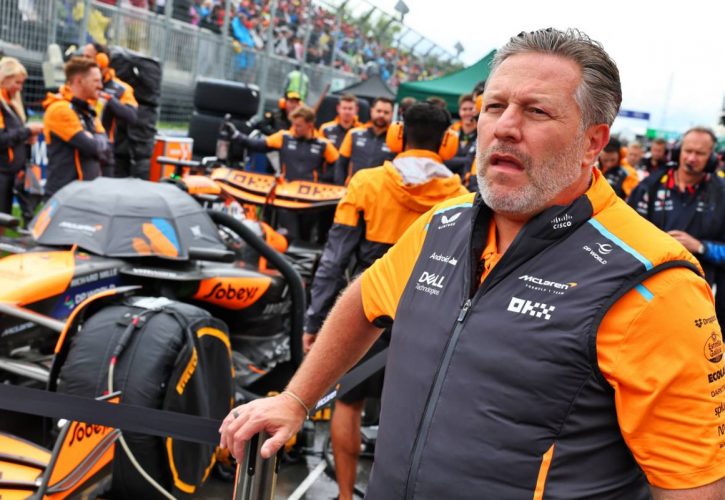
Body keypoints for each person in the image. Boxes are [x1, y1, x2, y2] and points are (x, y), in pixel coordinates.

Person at [220, 28, 725, 499]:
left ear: (593, 141)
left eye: (536, 112)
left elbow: (692, 484)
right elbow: (364, 300)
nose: (504, 128)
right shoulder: (444, 224)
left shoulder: (655, 284)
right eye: (495, 106)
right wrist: (296, 398)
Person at [303, 103, 468, 500]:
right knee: (415, 413)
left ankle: (345, 495)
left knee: (348, 403)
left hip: (368, 308)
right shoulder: (462, 197)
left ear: (398, 135)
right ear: (447, 142)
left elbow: (334, 259)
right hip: (430, 313)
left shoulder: (366, 182)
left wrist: (314, 321)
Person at [629, 126, 725, 326]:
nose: (692, 158)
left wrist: (701, 247)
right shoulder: (650, 186)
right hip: (645, 290)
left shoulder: (721, 194)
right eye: (688, 151)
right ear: (677, 151)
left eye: (700, 153)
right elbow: (623, 232)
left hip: (695, 298)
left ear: (712, 158)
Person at [43, 57, 110, 197]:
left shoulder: (88, 109)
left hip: (85, 192)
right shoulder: (60, 109)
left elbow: (106, 147)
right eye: (96, 81)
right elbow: (91, 146)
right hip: (63, 194)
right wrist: (95, 140)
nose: (101, 86)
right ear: (79, 81)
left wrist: (95, 139)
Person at [81, 43, 138, 177]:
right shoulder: (77, 82)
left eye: (88, 57)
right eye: (82, 56)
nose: (83, 60)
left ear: (102, 60)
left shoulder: (121, 88)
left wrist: (109, 100)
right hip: (78, 143)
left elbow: (132, 116)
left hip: (103, 149)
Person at [0, 57, 43, 218]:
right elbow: (1, 139)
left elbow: (12, 135)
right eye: (17, 82)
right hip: (2, 172)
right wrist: (27, 131)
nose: (20, 88)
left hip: (10, 172)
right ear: (4, 78)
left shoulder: (11, 103)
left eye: (22, 83)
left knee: (6, 218)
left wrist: (26, 138)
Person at [334, 97, 395, 185]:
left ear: (392, 114)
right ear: (371, 111)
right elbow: (341, 164)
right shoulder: (354, 134)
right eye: (378, 111)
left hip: (380, 189)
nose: (381, 115)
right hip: (355, 187)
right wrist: (339, 187)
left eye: (386, 112)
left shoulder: (396, 139)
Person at [445, 93, 477, 181]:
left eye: (471, 109)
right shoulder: (450, 131)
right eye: (464, 109)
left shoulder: (482, 132)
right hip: (448, 179)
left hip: (470, 182)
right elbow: (443, 159)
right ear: (459, 111)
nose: (468, 113)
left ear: (476, 111)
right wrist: (466, 160)